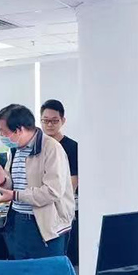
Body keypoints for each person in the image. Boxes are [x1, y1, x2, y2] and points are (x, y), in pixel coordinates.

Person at [0, 104, 75, 260]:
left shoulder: (51, 148)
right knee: (21, 272)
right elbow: (16, 184)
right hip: (18, 222)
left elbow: (52, 191)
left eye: (3, 131)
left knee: (45, 273)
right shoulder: (15, 149)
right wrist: (3, 181)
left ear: (19, 130)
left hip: (45, 226)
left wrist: (15, 195)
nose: (1, 135)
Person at [41, 99, 79, 266]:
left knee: (60, 259)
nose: (49, 125)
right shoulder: (38, 146)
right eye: (45, 120)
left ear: (63, 120)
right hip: (42, 208)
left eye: (54, 121)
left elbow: (72, 183)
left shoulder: (71, 147)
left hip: (61, 208)